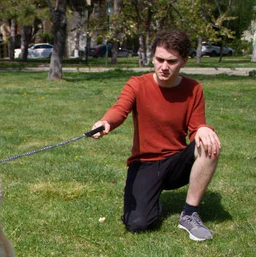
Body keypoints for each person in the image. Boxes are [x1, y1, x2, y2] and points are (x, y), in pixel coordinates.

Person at [91, 30, 221, 241]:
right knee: (137, 224)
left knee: (210, 143)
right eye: (159, 59)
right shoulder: (137, 84)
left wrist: (204, 129)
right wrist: (106, 122)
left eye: (172, 61)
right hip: (144, 164)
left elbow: (196, 129)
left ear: (184, 62)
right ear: (152, 57)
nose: (164, 67)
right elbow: (120, 109)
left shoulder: (193, 89)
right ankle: (152, 200)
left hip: (175, 163)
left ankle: (189, 214)